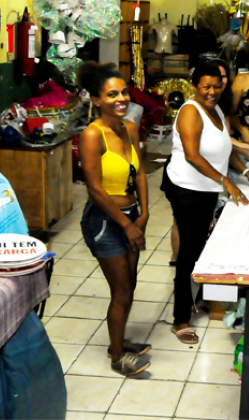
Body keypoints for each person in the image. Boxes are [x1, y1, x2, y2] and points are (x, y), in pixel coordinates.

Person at [161, 61, 249, 344]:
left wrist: (246, 173)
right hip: (187, 189)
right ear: (195, 86)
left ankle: (198, 298)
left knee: (200, 246)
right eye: (206, 87)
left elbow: (224, 148)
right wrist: (227, 182)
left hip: (207, 188)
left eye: (217, 86)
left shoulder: (217, 109)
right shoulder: (190, 111)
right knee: (189, 252)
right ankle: (180, 319)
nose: (212, 92)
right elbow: (193, 155)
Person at [77, 62, 151, 375]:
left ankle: (117, 340)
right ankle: (118, 355)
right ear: (96, 100)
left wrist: (144, 214)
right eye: (111, 94)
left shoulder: (129, 128)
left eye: (123, 91)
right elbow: (95, 190)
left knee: (129, 285)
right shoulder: (92, 136)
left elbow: (141, 173)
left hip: (132, 215)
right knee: (121, 289)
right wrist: (127, 226)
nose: (121, 98)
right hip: (105, 221)